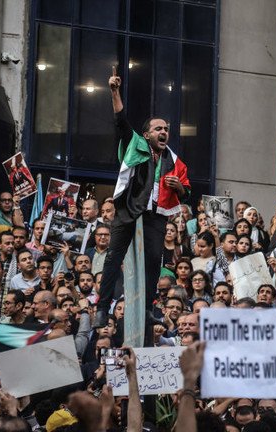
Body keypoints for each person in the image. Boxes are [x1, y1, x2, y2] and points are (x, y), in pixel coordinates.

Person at [94, 69, 191, 328]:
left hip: (156, 215)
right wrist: (114, 92)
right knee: (113, 258)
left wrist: (179, 188)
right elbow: (121, 120)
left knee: (153, 262)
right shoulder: (135, 144)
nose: (164, 132)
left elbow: (187, 192)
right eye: (158, 128)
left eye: (166, 129)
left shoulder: (174, 161)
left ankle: (148, 308)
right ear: (147, 135)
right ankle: (102, 309)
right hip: (129, 209)